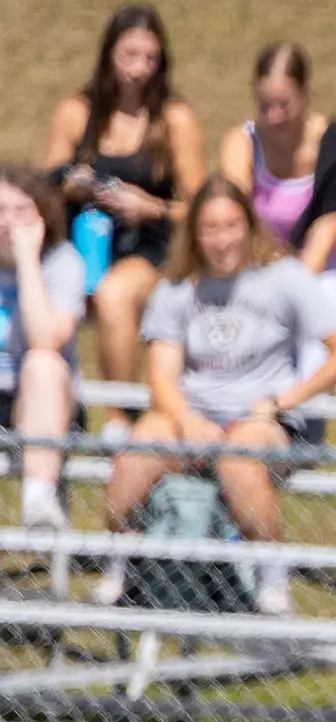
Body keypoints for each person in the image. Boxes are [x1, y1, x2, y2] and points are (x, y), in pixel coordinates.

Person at [94, 177, 336, 616]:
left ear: (248, 225)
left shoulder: (285, 276)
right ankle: (121, 562)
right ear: (195, 233)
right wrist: (188, 420)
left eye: (232, 225)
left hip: (262, 418)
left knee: (239, 458)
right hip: (190, 413)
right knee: (136, 455)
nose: (223, 240)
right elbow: (162, 378)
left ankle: (272, 580)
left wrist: (283, 401)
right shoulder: (177, 287)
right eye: (211, 228)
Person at [41, 4, 206, 438]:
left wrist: (150, 206)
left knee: (114, 294)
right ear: (108, 54)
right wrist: (74, 183)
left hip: (151, 246)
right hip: (86, 238)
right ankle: (54, 412)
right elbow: (44, 188)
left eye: (150, 58)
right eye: (129, 55)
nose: (139, 69)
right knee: (51, 291)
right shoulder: (78, 112)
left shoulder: (173, 118)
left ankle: (120, 418)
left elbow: (202, 206)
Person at [216, 42, 336, 388]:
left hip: (329, 272)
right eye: (265, 105)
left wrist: (283, 289)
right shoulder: (241, 142)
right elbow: (235, 220)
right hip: (260, 267)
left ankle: (301, 419)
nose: (273, 116)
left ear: (306, 94)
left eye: (284, 105)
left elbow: (322, 242)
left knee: (316, 310)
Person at [0, 166, 89, 530]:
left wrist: (26, 262)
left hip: (43, 403)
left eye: (20, 211)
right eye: (0, 211)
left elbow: (47, 338)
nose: (8, 222)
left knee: (43, 363)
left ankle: (38, 497)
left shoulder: (63, 262)